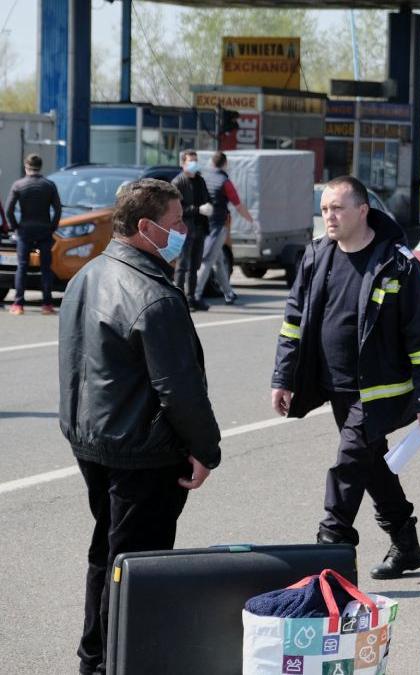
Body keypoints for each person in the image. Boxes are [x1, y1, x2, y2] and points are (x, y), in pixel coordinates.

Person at [58, 178, 220, 675]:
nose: (183, 231)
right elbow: (179, 388)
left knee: (106, 552)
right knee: (136, 567)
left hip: (94, 439)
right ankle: (117, 661)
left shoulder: (88, 274)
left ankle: (95, 656)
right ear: (146, 227)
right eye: (175, 223)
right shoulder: (153, 294)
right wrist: (205, 449)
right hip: (143, 450)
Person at [270, 176, 420, 579]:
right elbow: (293, 322)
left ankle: (330, 551)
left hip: (381, 390)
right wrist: (284, 378)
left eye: (338, 208)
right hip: (335, 385)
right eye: (325, 208)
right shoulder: (316, 256)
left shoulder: (396, 263)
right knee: (372, 463)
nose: (329, 216)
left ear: (362, 211)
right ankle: (406, 543)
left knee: (349, 462)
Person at [5, 153, 62, 315]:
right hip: (44, 229)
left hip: (25, 230)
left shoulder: (18, 185)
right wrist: (52, 227)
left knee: (22, 266)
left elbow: (9, 209)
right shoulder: (49, 185)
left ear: (26, 167)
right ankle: (47, 305)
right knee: (45, 268)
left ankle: (18, 305)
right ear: (40, 166)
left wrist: (15, 227)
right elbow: (58, 209)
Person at [196, 151, 253, 306]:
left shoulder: (204, 179)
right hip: (218, 227)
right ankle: (195, 295)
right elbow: (238, 205)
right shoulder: (224, 181)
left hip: (204, 224)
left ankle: (228, 293)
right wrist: (251, 220)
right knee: (208, 260)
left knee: (219, 260)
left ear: (212, 163)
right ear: (224, 164)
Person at [171, 149, 211, 311]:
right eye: (190, 161)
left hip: (200, 228)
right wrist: (197, 209)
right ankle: (179, 299)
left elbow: (207, 199)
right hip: (185, 229)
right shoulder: (178, 182)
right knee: (182, 265)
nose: (194, 164)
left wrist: (209, 207)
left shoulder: (200, 180)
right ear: (182, 163)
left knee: (195, 265)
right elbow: (177, 209)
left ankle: (192, 297)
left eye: (196, 160)